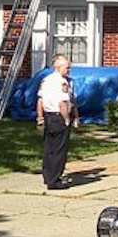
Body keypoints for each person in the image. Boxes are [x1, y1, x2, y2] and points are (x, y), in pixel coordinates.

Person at [37, 55, 79, 190]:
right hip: (59, 117)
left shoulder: (46, 80)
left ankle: (48, 176)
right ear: (58, 67)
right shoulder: (62, 83)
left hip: (49, 117)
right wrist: (67, 119)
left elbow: (40, 101)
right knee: (59, 150)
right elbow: (63, 103)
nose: (69, 70)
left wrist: (40, 118)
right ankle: (54, 181)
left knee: (49, 149)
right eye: (67, 67)